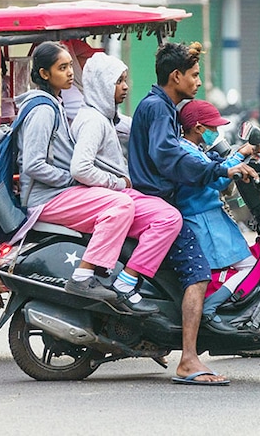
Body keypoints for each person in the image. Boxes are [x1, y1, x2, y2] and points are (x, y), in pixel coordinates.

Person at [128, 41, 258, 385]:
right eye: (194, 75)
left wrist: (221, 165)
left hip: (159, 204)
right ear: (176, 76)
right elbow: (168, 155)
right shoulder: (158, 108)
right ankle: (187, 359)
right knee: (198, 274)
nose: (198, 81)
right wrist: (220, 171)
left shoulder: (161, 108)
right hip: (160, 207)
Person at [16, 41, 136, 302]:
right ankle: (83, 277)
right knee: (121, 206)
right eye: (62, 68)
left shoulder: (56, 103)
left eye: (70, 66)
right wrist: (70, 179)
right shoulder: (43, 110)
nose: (70, 72)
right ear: (45, 74)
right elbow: (33, 165)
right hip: (44, 199)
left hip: (55, 192)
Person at [69, 51, 181, 314]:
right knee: (169, 218)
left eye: (125, 80)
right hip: (108, 195)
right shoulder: (94, 122)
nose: (126, 87)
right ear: (102, 85)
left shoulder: (106, 117)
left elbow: (135, 129)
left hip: (114, 193)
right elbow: (80, 167)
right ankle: (126, 282)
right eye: (119, 81)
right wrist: (118, 183)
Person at [176, 99, 260, 329]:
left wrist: (243, 153)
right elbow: (218, 177)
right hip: (204, 220)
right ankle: (211, 308)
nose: (216, 132)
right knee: (249, 265)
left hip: (210, 217)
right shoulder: (187, 153)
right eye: (212, 128)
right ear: (198, 128)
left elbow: (217, 169)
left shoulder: (195, 149)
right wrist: (240, 158)